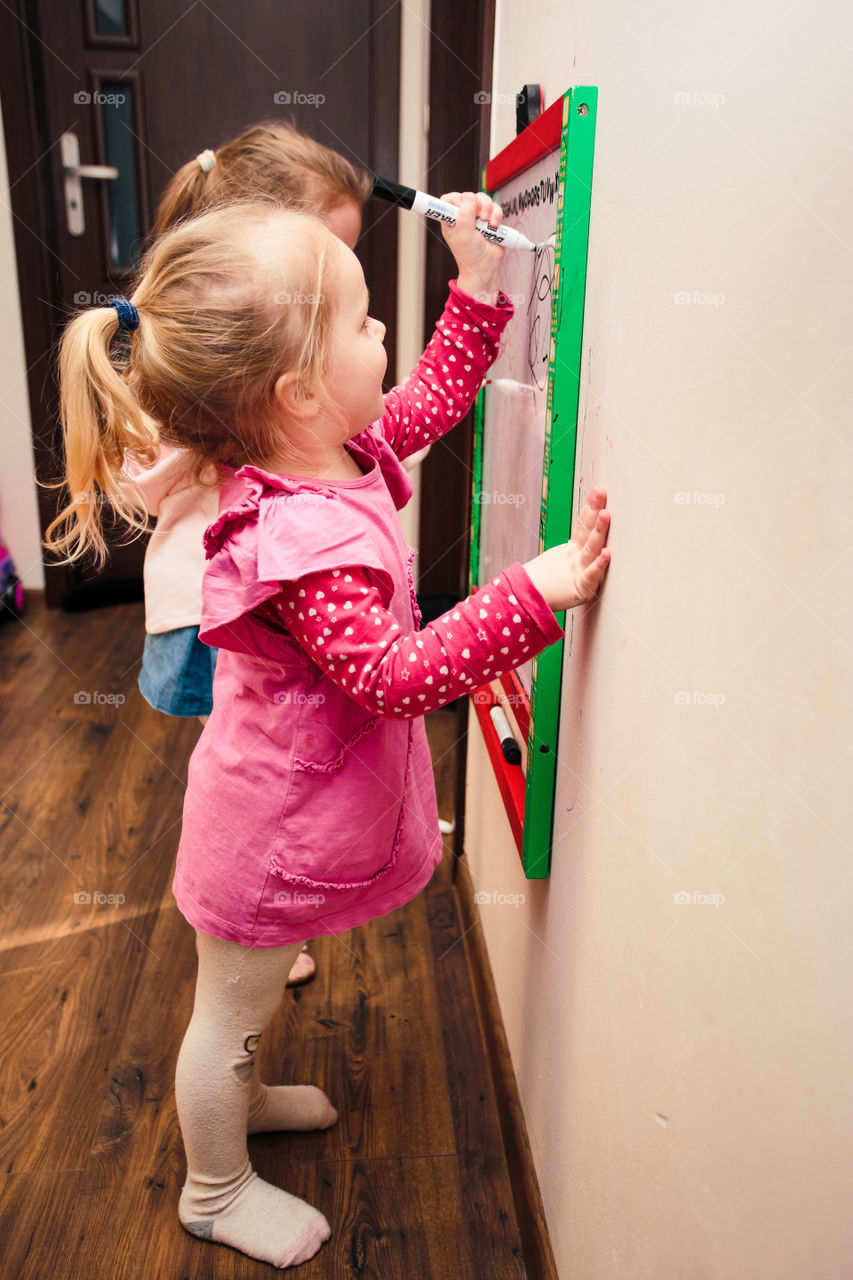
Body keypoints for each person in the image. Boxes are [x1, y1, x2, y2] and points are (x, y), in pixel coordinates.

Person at [45, 199, 611, 1270]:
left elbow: (430, 404)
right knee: (228, 1011)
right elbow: (393, 679)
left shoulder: (332, 450)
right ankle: (213, 1187)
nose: (382, 337)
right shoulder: (299, 535)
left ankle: (246, 1096)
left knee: (245, 1009)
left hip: (279, 806)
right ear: (299, 391)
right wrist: (531, 594)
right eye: (360, 321)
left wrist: (477, 282)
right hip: (263, 838)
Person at [125, 122, 376, 988]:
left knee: (249, 757)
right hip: (211, 603)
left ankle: (251, 912)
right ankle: (250, 914)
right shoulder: (205, 374)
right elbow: (139, 475)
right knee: (245, 764)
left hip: (244, 596)